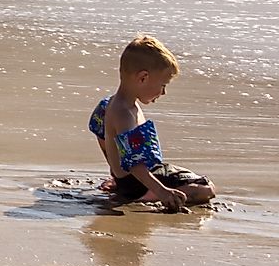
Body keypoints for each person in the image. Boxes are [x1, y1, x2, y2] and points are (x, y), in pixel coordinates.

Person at [91, 35, 218, 210]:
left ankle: (139, 189)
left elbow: (100, 132)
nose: (163, 92)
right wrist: (162, 191)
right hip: (138, 183)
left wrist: (115, 173)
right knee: (206, 189)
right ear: (143, 78)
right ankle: (148, 196)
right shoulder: (124, 113)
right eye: (163, 85)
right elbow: (135, 163)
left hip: (129, 180)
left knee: (189, 177)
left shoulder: (109, 104)